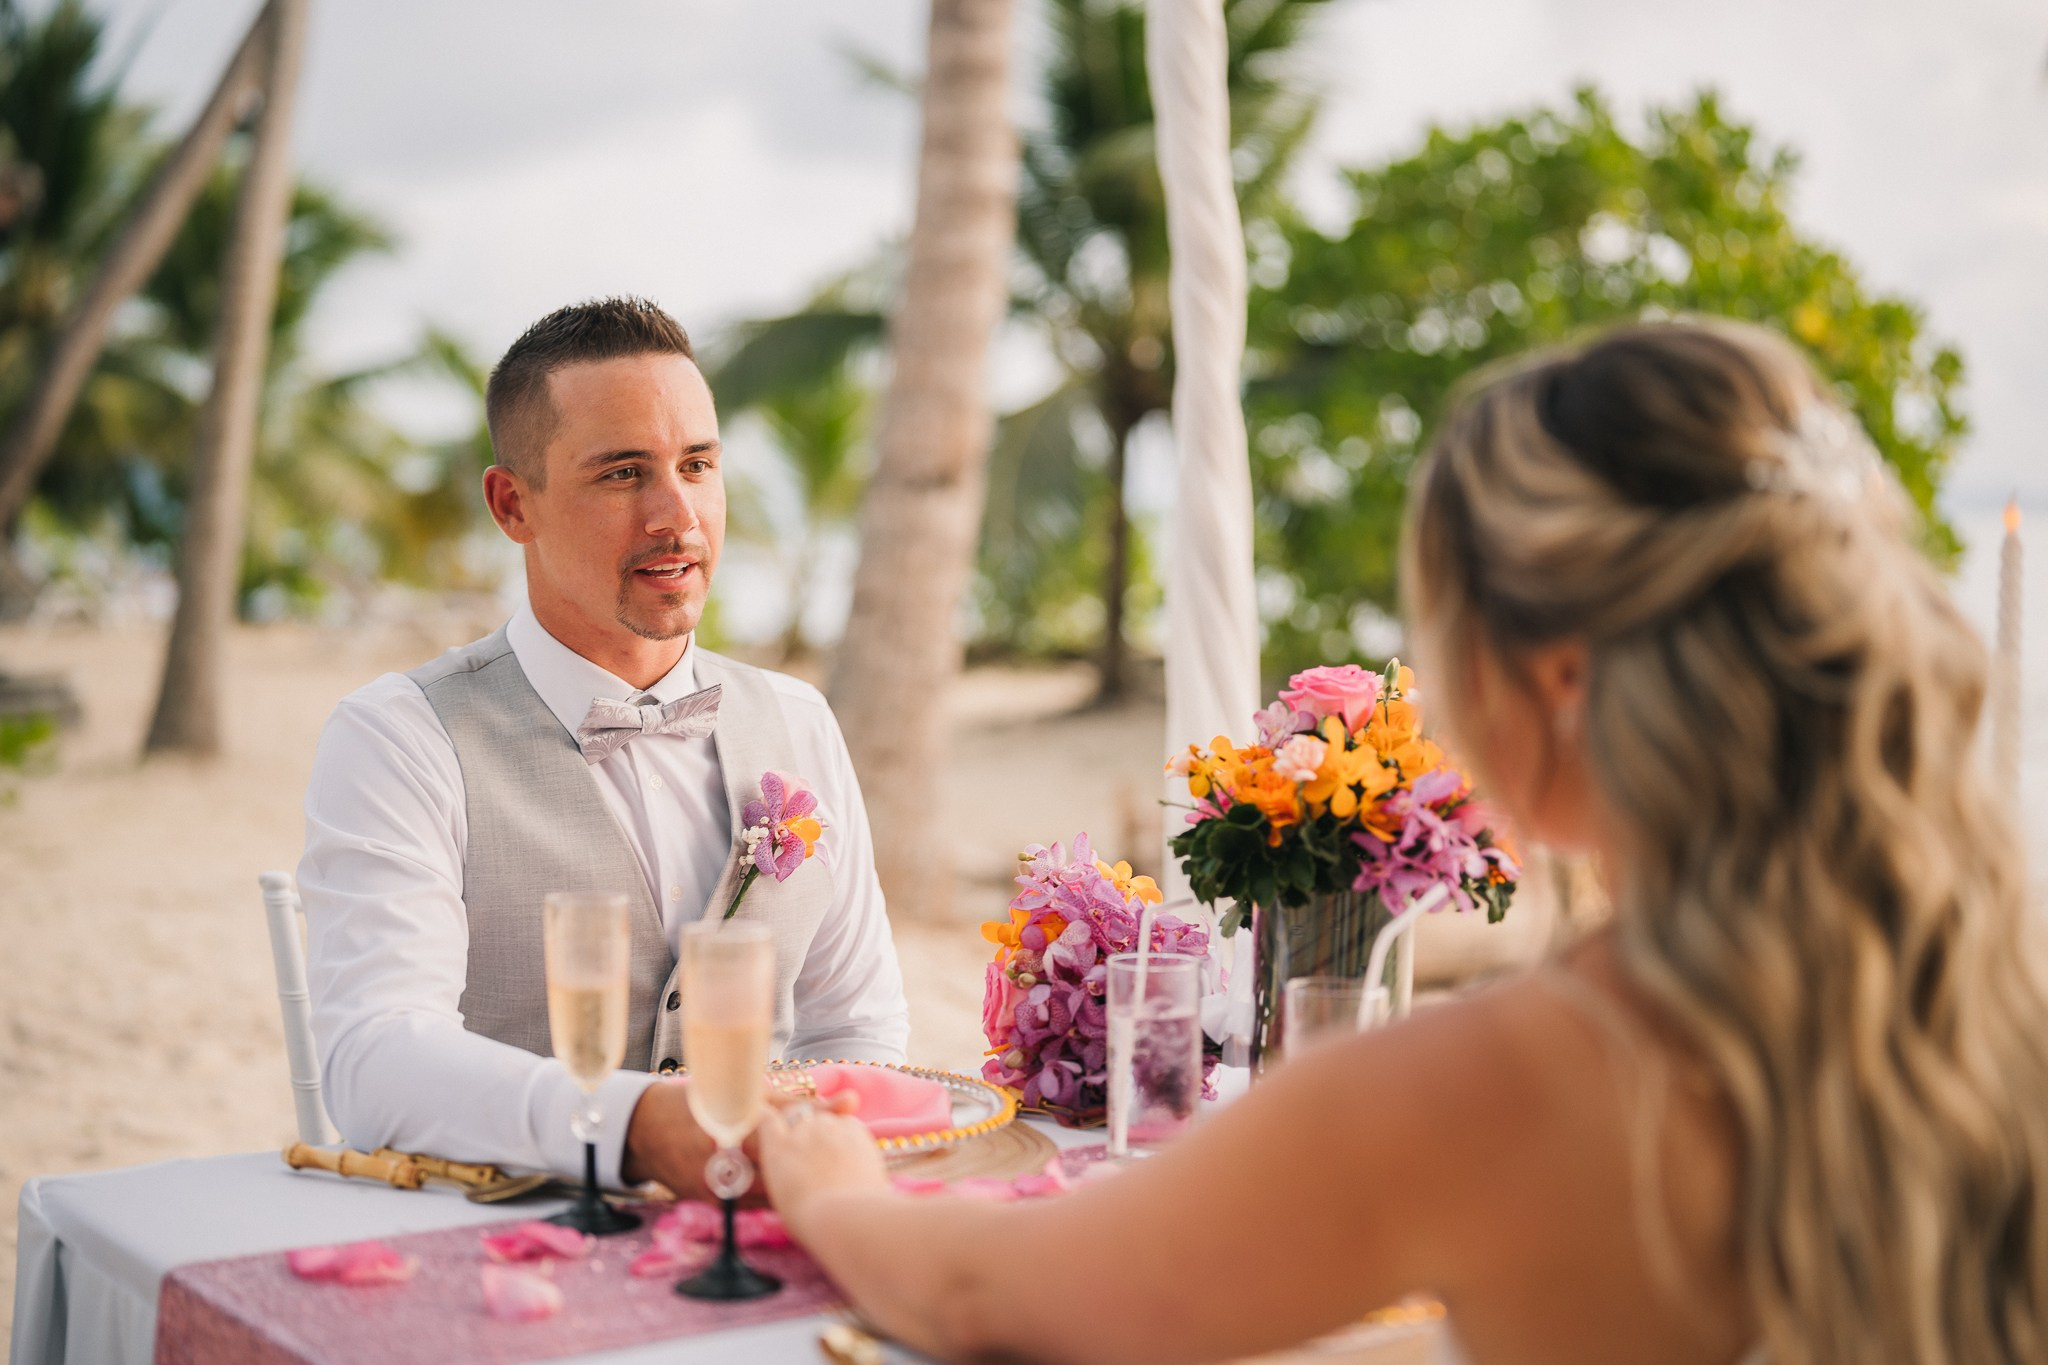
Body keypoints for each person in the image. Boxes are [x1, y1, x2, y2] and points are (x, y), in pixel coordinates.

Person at [758, 319, 2048, 1364]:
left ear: (1554, 682)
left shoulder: (1511, 1079)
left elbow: (994, 1299)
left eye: (1438, 627)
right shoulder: (1993, 985)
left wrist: (834, 1194)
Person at [298, 297, 908, 1201]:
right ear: (513, 504)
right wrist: (635, 1129)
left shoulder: (799, 719)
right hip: (497, 1247)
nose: (678, 515)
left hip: (757, 1235)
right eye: (624, 474)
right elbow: (374, 1058)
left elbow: (854, 1027)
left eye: (698, 464)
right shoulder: (400, 737)